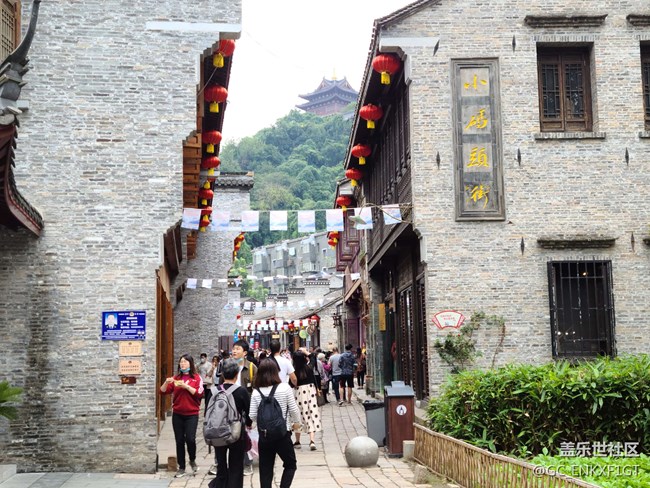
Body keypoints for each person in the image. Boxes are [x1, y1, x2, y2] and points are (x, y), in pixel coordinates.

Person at [250, 359, 301, 488]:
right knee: (290, 464)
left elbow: (252, 415)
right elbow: (294, 409)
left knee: (265, 469)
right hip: (282, 433)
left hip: (264, 435)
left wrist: (264, 421)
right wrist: (296, 423)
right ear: (276, 372)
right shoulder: (285, 388)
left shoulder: (256, 392)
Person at [213, 340, 258, 476]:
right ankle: (219, 463)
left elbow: (256, 388)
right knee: (222, 433)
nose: (234, 351)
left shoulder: (251, 368)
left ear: (245, 353)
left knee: (243, 436)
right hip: (226, 407)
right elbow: (221, 385)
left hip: (242, 406)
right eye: (234, 348)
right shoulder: (226, 365)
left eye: (238, 349)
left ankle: (247, 464)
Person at [160, 353, 204, 478]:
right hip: (178, 414)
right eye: (181, 362)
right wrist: (166, 382)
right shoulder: (176, 378)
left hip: (192, 414)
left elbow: (199, 394)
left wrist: (186, 386)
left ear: (190, 363)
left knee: (190, 439)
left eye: (185, 361)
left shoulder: (197, 378)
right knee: (179, 441)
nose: (182, 364)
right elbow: (162, 391)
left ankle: (192, 459)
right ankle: (182, 467)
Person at [211, 358, 252, 488]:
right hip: (236, 432)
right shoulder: (241, 391)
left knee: (221, 465)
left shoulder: (213, 391)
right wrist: (249, 424)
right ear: (236, 374)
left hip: (217, 431)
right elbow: (249, 411)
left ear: (222, 374)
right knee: (236, 466)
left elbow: (208, 412)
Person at [291, 350, 322, 450]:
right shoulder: (309, 368)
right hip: (310, 393)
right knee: (311, 414)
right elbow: (313, 357)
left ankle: (297, 441)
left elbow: (291, 384)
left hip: (299, 394)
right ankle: (312, 441)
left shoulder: (294, 371)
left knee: (297, 416)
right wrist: (305, 351)